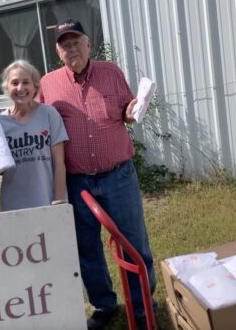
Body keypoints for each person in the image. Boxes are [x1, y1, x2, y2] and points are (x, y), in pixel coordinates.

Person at [40, 19, 157, 330]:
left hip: (117, 176)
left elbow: (126, 113)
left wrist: (133, 110)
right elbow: (41, 127)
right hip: (78, 182)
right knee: (86, 247)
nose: (71, 47)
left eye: (76, 41)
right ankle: (104, 304)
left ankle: (142, 304)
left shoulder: (110, 73)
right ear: (58, 51)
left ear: (88, 44)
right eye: (65, 43)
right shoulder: (47, 84)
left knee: (133, 243)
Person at [0, 59, 68, 210]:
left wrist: (59, 202)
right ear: (6, 88)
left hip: (47, 201)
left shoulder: (49, 114)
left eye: (26, 82)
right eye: (14, 83)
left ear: (35, 86)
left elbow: (59, 163)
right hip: (13, 205)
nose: (20, 88)